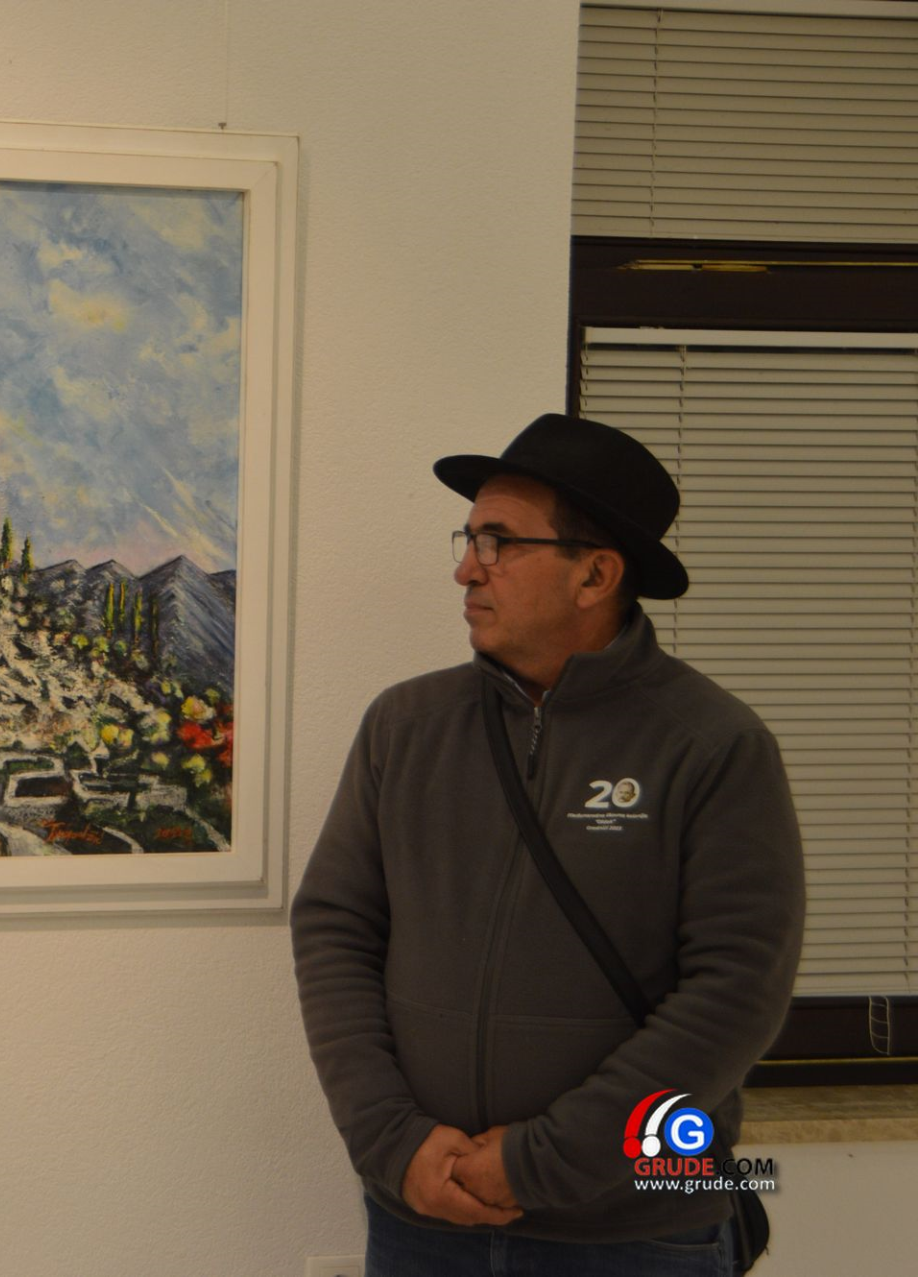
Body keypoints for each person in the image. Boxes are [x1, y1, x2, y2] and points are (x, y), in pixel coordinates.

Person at [291, 414, 805, 1275]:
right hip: (422, 1222)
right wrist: (393, 1142)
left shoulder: (712, 744)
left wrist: (541, 1160)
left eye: (498, 542)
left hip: (635, 1234)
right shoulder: (405, 726)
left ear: (595, 574)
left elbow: (736, 993)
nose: (466, 568)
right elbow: (335, 929)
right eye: (468, 539)